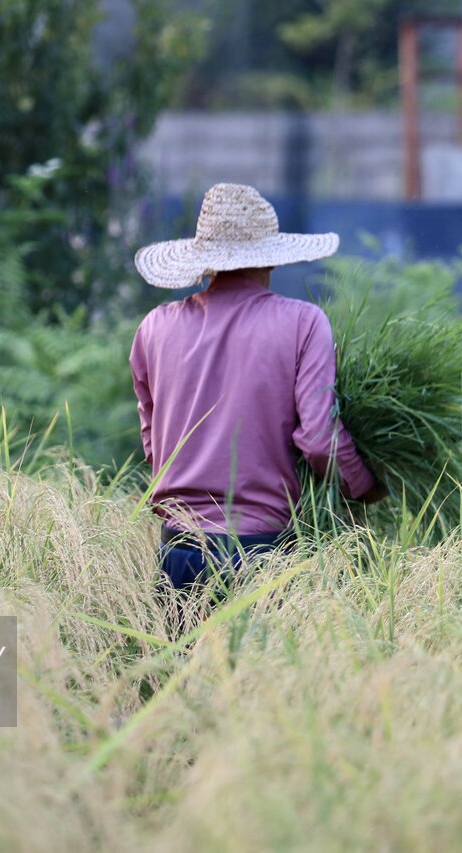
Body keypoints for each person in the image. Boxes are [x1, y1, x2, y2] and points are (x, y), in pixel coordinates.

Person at [129, 183, 387, 598]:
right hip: (261, 556)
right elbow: (320, 440)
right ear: (272, 257)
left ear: (205, 262)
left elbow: (154, 448)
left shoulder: (154, 328)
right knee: (260, 665)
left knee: (177, 663)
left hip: (176, 552)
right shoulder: (304, 323)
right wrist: (364, 486)